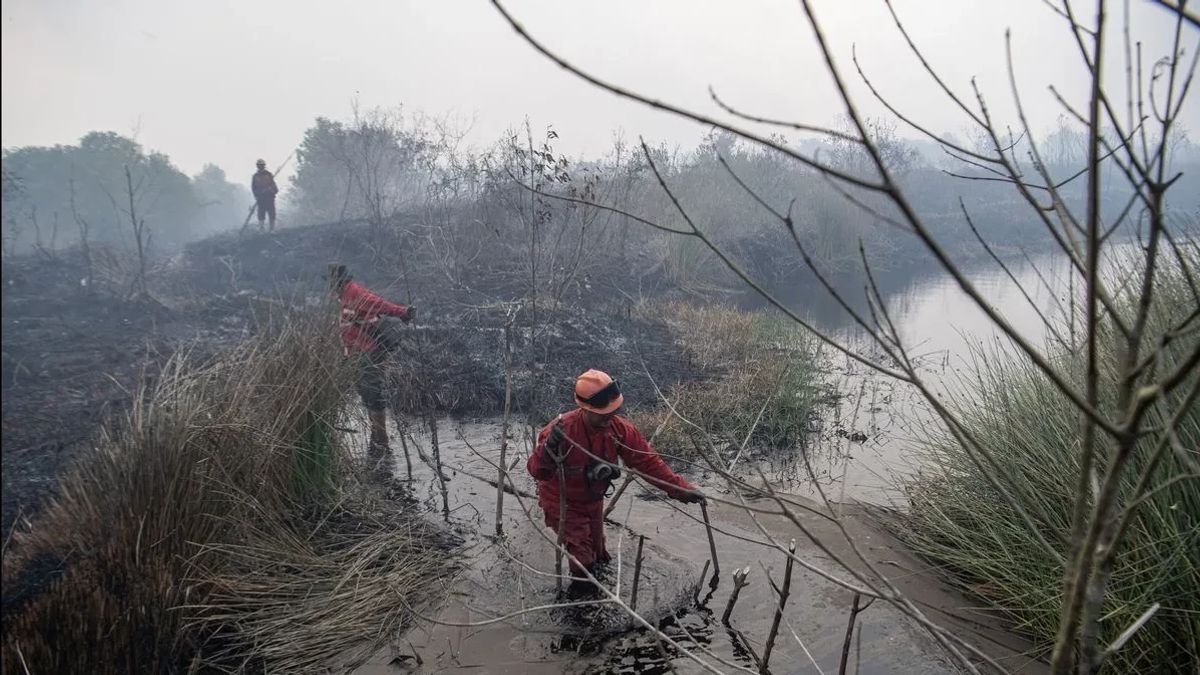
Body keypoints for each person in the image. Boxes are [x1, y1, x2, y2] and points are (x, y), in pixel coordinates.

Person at [527, 369, 704, 592]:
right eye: (602, 413)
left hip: (593, 500)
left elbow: (649, 463)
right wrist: (550, 447)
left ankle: (600, 593)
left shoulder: (619, 430)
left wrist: (681, 489)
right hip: (561, 502)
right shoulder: (560, 431)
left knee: (600, 554)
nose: (608, 418)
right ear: (585, 408)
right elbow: (536, 471)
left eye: (612, 412)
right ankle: (580, 609)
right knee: (583, 560)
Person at [328, 264, 416, 456]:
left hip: (369, 350)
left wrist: (403, 312)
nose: (330, 286)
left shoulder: (355, 293)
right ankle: (376, 437)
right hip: (356, 354)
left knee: (372, 390)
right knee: (365, 391)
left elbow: (380, 304)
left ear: (339, 281)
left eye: (332, 282)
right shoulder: (343, 296)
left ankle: (381, 440)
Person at [251, 159, 279, 231]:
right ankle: (261, 229)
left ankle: (272, 229)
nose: (260, 167)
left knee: (271, 213)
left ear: (264, 166)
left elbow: (274, 186)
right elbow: (254, 188)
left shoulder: (269, 175)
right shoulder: (255, 176)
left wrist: (271, 190)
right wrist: (257, 195)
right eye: (259, 165)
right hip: (261, 198)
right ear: (257, 166)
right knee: (261, 213)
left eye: (262, 165)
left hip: (269, 197)